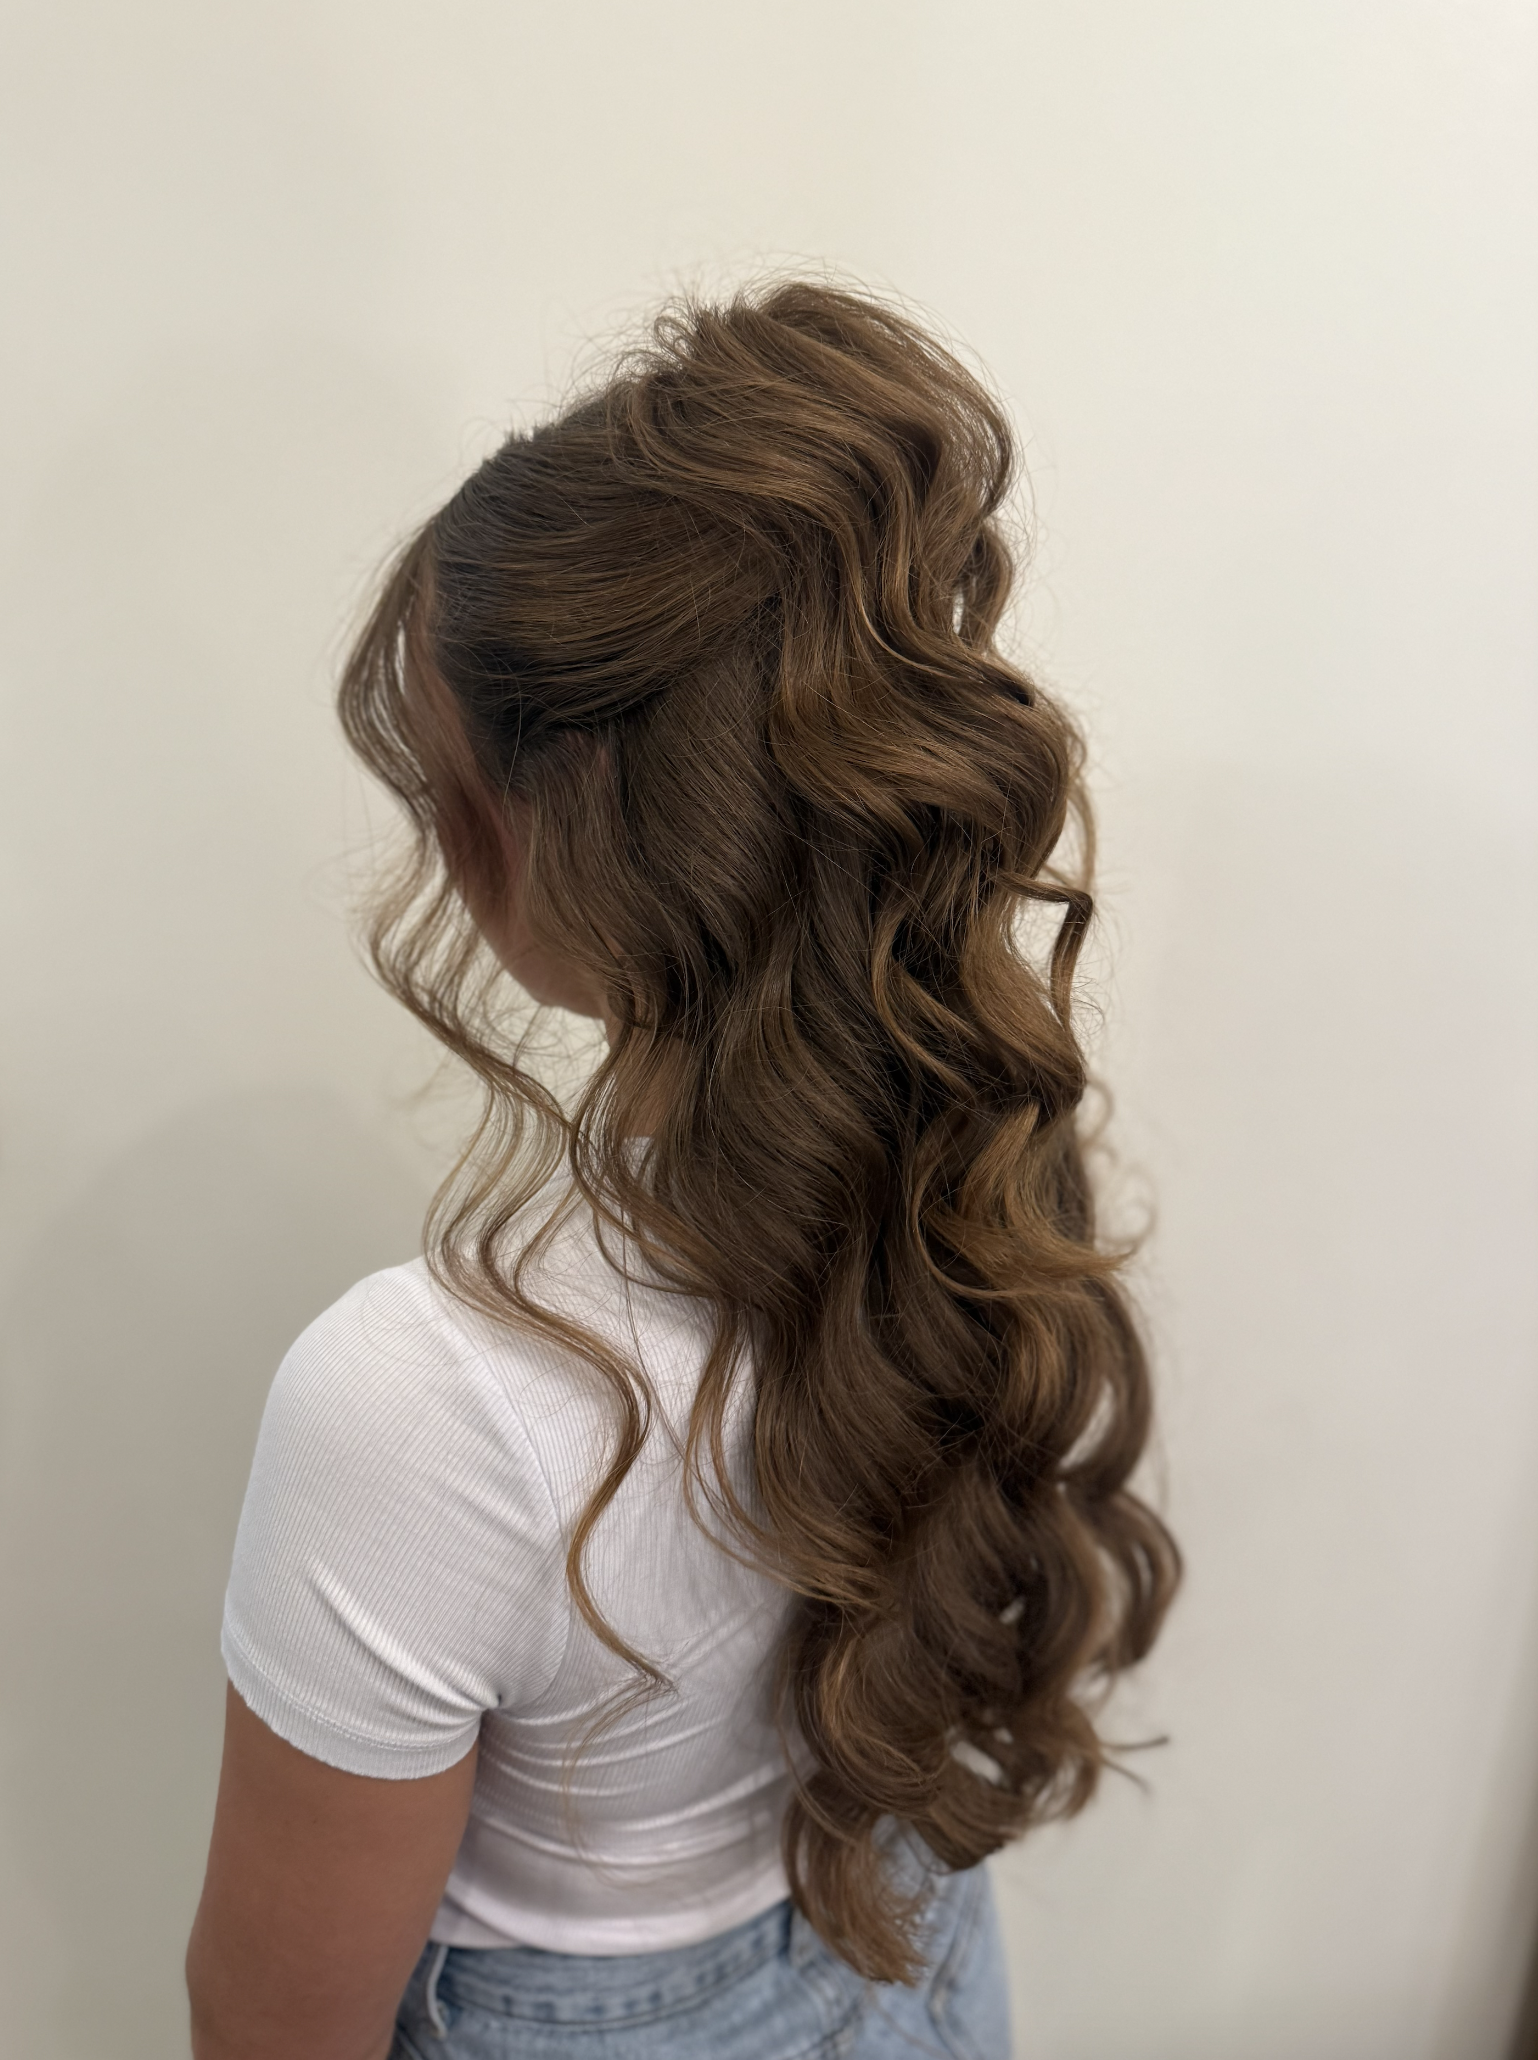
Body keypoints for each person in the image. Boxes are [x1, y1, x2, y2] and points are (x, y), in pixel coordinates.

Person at [185, 279, 1179, 2060]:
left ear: (547, 825)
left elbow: (270, 2032)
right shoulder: (974, 1161)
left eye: (443, 788)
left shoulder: (413, 1403)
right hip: (916, 1954)